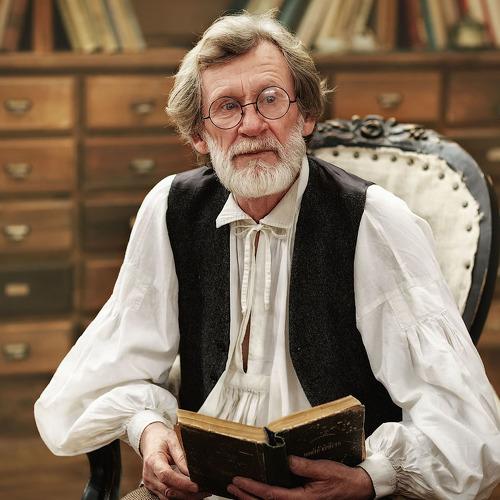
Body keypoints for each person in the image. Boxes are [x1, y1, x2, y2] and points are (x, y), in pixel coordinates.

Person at [35, 11, 500, 500]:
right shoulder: (171, 208)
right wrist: (148, 430)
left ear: (306, 115)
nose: (252, 125)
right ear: (199, 135)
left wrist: (370, 479)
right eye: (227, 107)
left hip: (331, 488)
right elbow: (103, 373)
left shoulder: (375, 221)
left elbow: (468, 428)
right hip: (199, 485)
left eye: (271, 99)